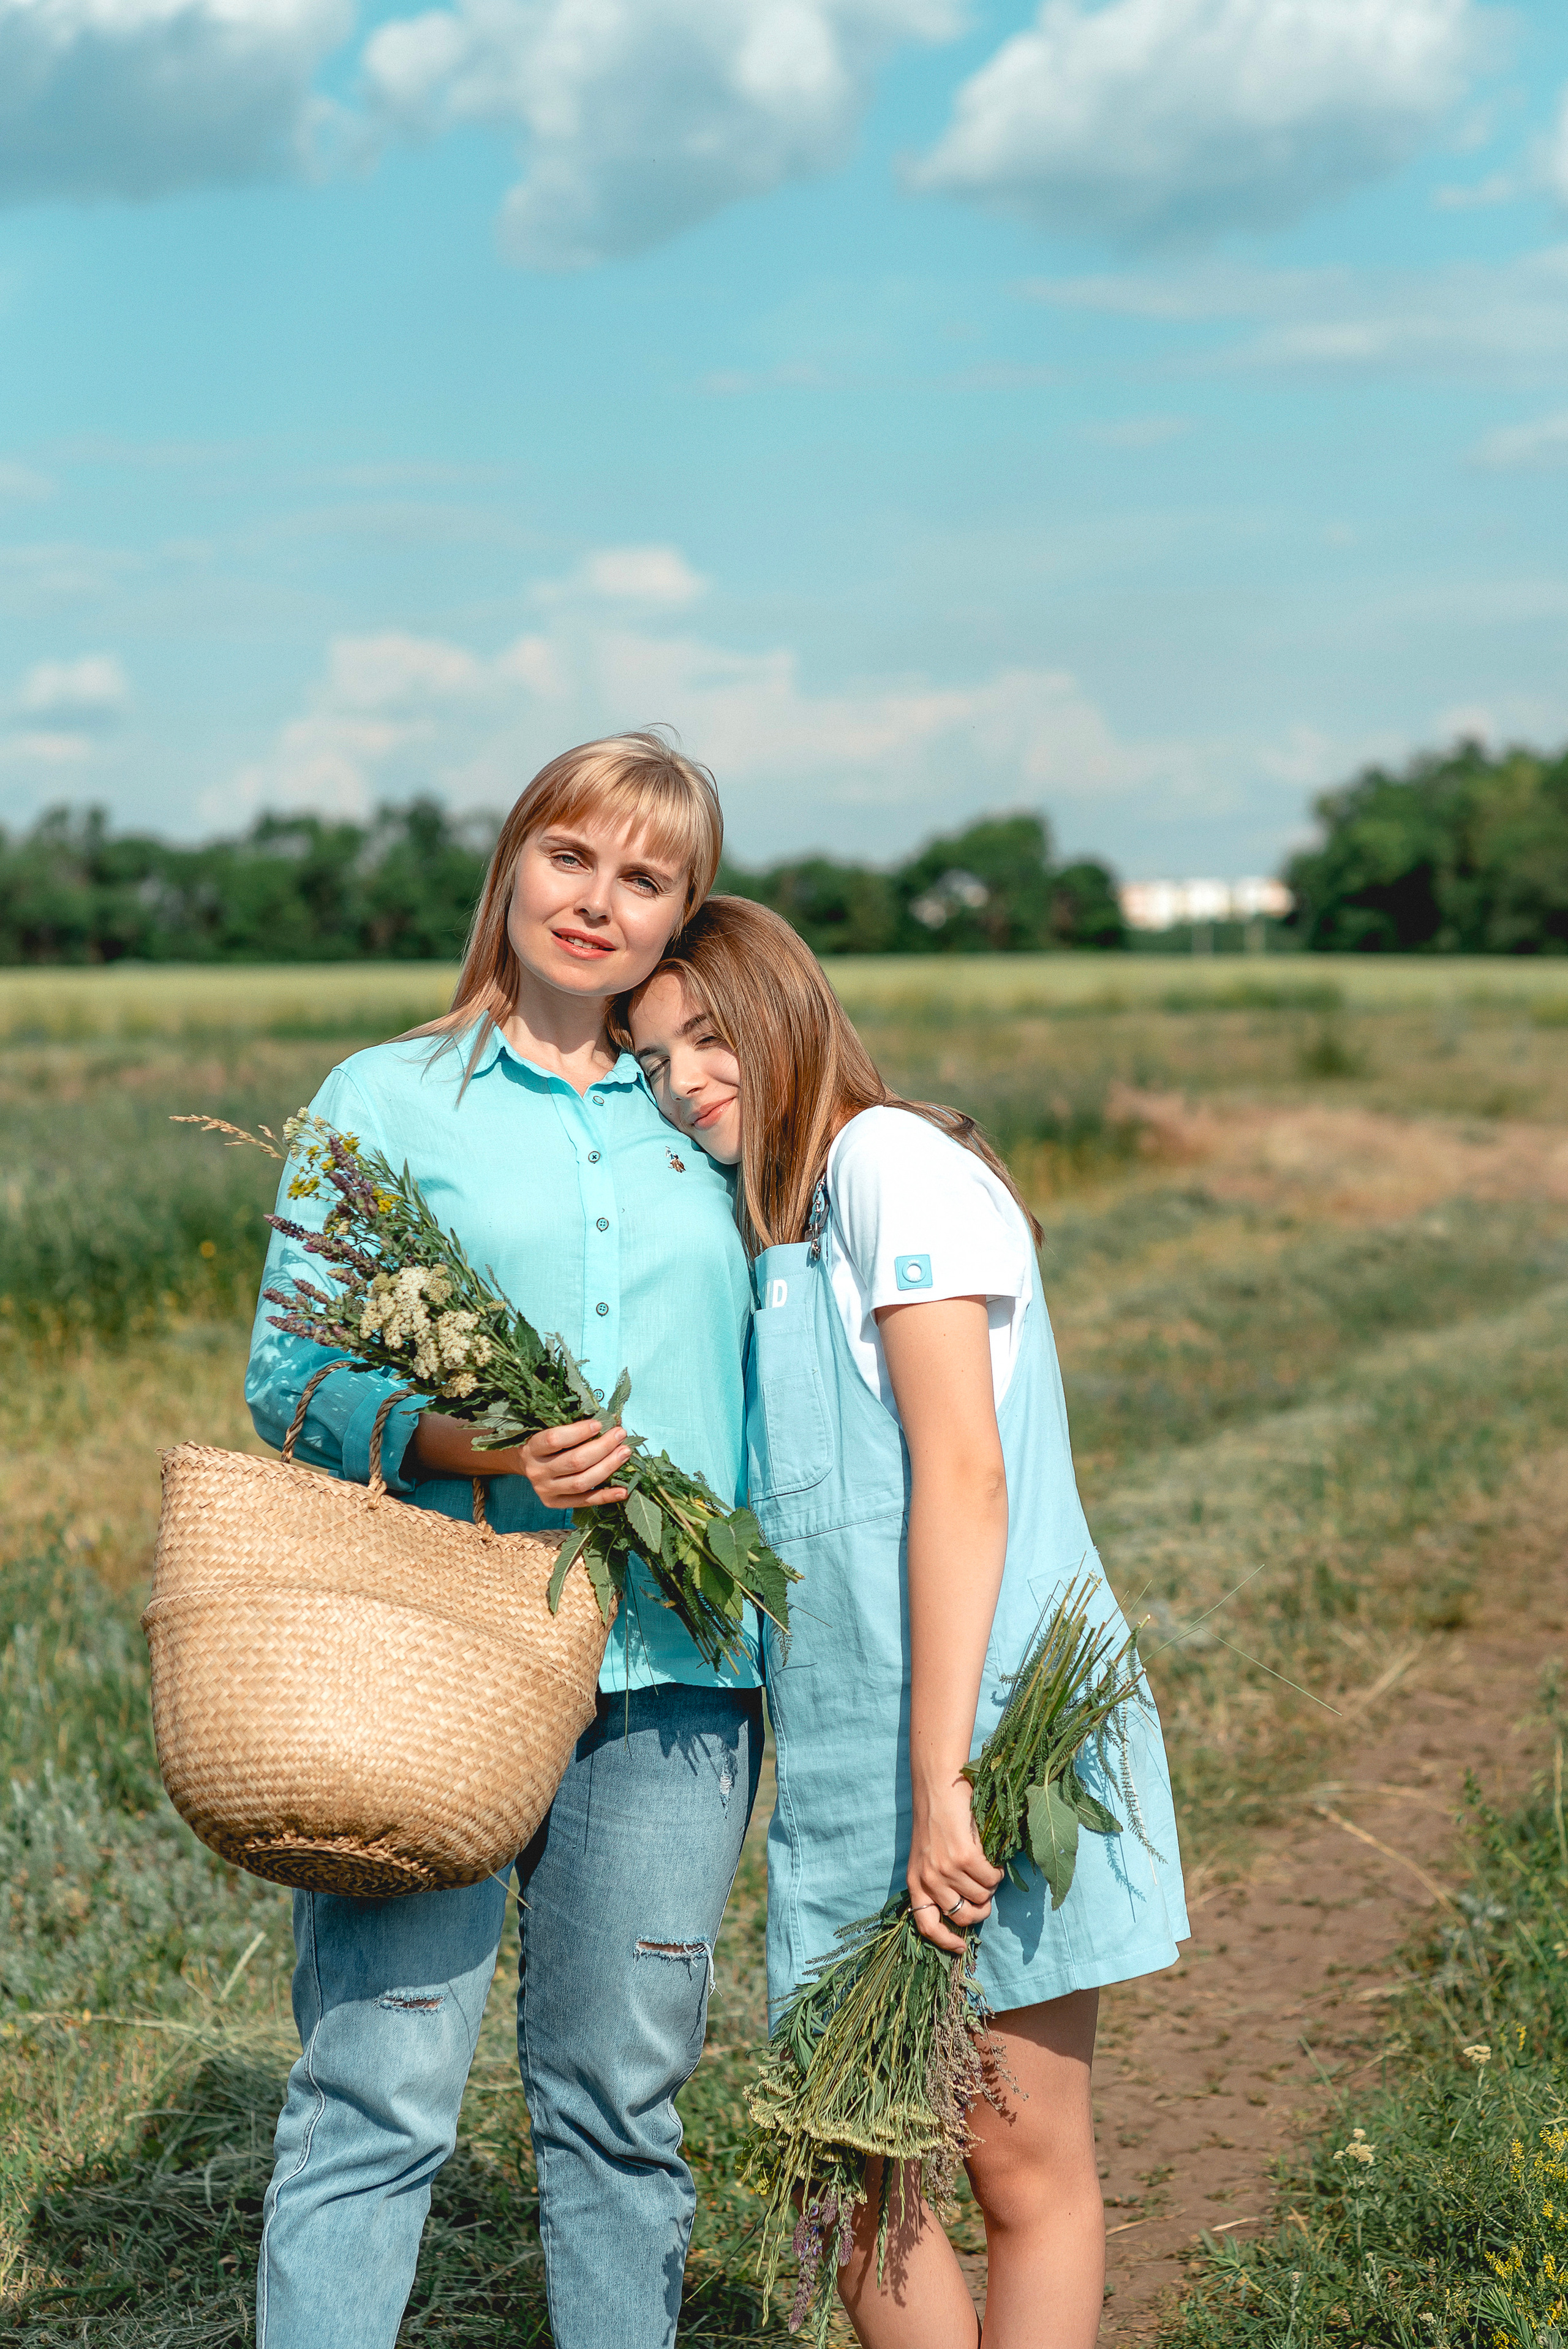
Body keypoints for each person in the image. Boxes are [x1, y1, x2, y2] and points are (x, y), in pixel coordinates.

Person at [245, 736, 764, 2349]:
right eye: (571, 857)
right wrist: (487, 1446)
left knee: (620, 2106)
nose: (598, 902)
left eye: (646, 877)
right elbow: (290, 1376)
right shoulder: (383, 1100)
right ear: (513, 865)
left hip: (676, 1665)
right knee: (377, 2091)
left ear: (684, 913)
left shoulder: (712, 1112)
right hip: (443, 1655)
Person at [623, 899, 1189, 2349]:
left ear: (785, 1011)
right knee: (855, 2158)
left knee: (1014, 2155)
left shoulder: (888, 1165)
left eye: (705, 1036)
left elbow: (963, 1471)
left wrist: (946, 1784)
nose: (685, 1081)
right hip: (847, 1761)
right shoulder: (781, 1230)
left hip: (986, 1731)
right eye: (651, 1060)